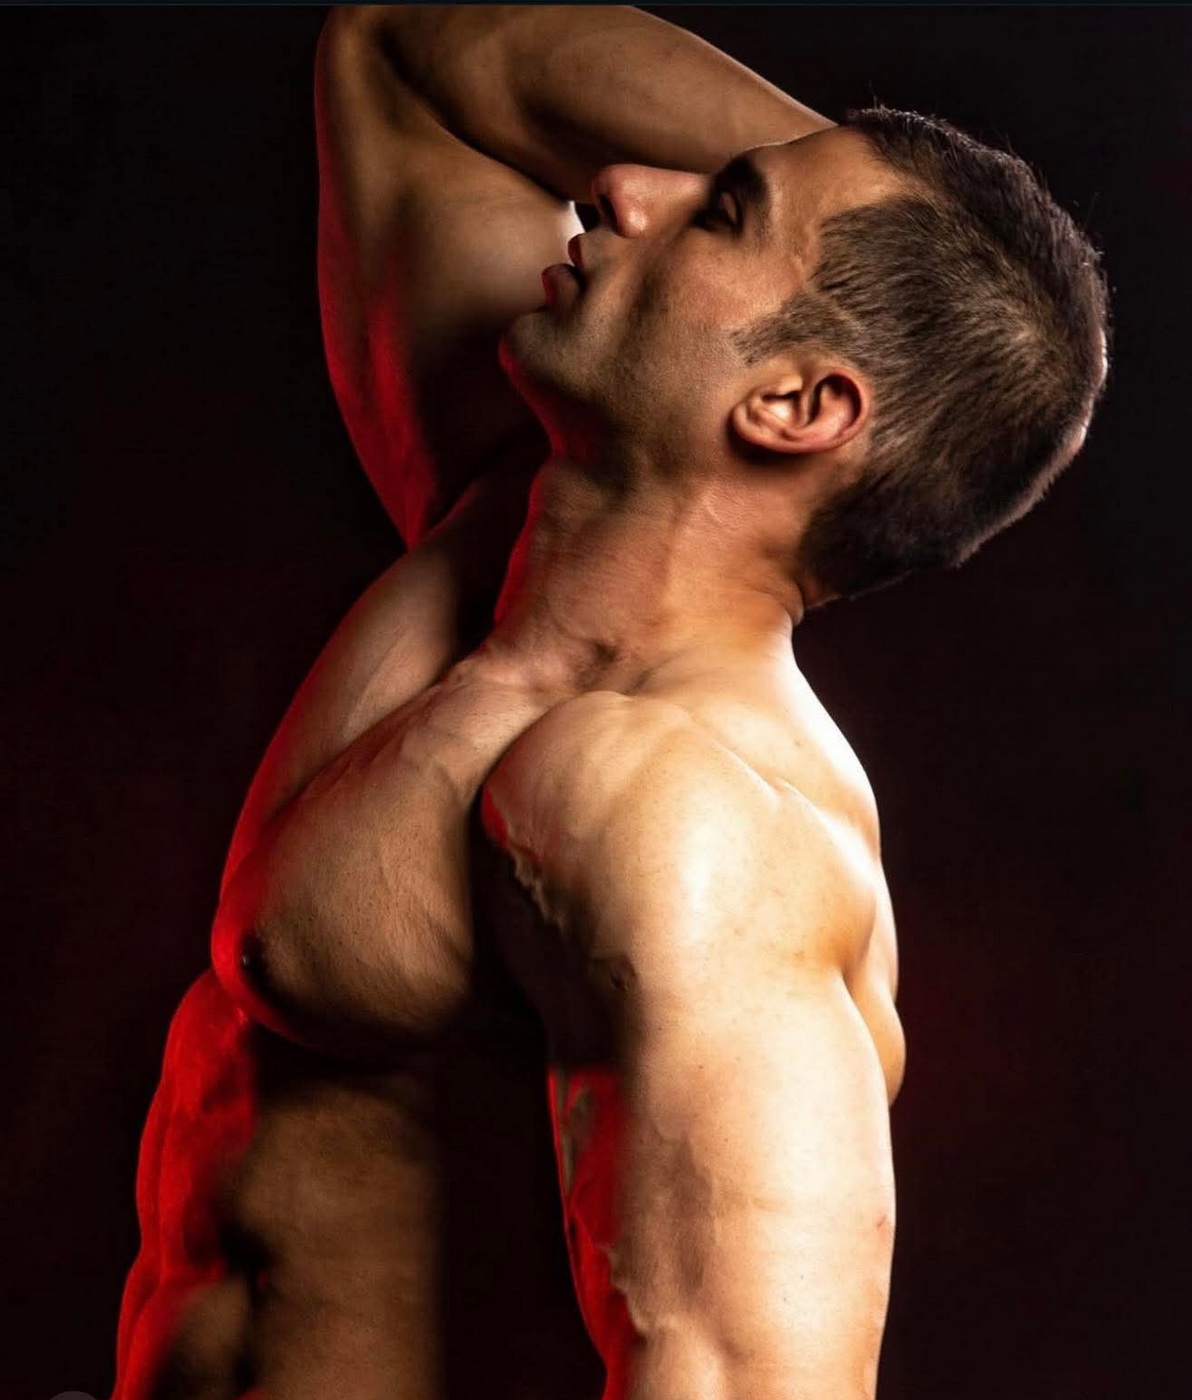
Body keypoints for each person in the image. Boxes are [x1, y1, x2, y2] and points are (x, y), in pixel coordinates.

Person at [114, 7, 1109, 1398]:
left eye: (722, 213)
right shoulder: (492, 543)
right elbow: (408, 44)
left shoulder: (699, 816)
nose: (625, 185)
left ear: (796, 404)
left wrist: (930, 295)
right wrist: (947, 276)